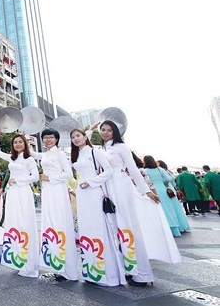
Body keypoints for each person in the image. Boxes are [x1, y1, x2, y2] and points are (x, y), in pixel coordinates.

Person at [99, 120, 157, 287]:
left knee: (128, 227)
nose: (105, 132)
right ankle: (128, 269)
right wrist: (91, 128)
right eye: (103, 129)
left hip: (121, 186)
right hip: (107, 188)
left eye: (109, 130)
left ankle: (142, 274)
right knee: (115, 229)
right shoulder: (100, 149)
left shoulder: (122, 148)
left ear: (115, 132)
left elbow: (133, 169)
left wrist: (146, 191)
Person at [70, 128, 123, 286]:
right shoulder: (75, 155)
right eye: (73, 137)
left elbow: (109, 170)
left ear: (85, 137)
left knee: (98, 228)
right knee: (86, 229)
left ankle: (107, 274)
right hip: (81, 193)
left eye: (78, 136)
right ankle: (91, 273)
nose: (76, 139)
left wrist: (92, 182)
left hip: (94, 192)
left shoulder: (95, 152)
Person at [32, 129, 78, 282]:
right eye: (45, 137)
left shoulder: (60, 154)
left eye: (51, 137)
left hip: (57, 189)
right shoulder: (44, 155)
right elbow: (31, 153)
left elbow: (69, 174)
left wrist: (49, 177)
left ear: (57, 139)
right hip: (48, 190)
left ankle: (67, 269)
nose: (48, 140)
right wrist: (24, 138)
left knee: (60, 223)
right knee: (50, 223)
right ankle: (56, 264)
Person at [0, 130, 40, 277]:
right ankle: (17, 258)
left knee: (24, 222)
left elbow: (36, 176)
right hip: (12, 193)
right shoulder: (12, 158)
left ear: (25, 144)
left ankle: (29, 262)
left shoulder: (29, 159)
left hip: (23, 192)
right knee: (13, 222)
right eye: (15, 142)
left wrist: (19, 180)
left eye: (20, 142)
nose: (18, 144)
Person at [143, 155, 189, 237]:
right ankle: (177, 229)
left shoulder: (145, 171)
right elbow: (169, 178)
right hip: (164, 190)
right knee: (170, 210)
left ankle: (168, 230)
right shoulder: (159, 169)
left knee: (162, 211)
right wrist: (161, 181)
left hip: (154, 191)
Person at [158, 160, 191, 228]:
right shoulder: (168, 171)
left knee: (171, 208)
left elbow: (170, 179)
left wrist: (164, 181)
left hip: (167, 189)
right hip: (171, 189)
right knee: (176, 208)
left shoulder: (161, 171)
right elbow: (173, 180)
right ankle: (181, 225)